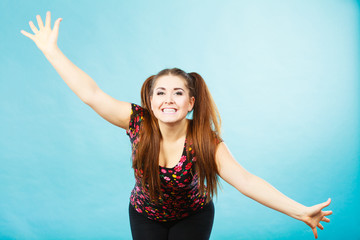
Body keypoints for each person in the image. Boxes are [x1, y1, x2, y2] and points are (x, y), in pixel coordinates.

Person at [21, 11, 333, 240]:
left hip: (193, 216)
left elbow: (246, 181)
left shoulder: (204, 140)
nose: (168, 99)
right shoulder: (137, 121)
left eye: (178, 92)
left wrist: (299, 211)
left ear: (190, 103)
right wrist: (52, 51)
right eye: (161, 92)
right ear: (151, 99)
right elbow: (91, 94)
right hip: (144, 215)